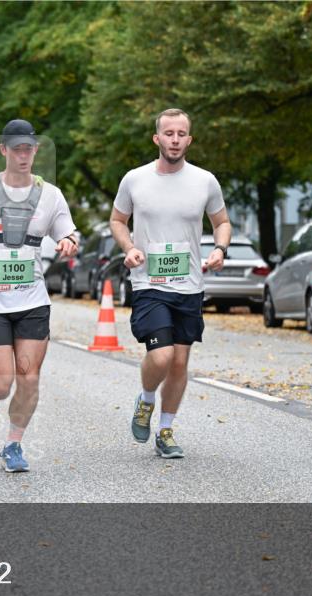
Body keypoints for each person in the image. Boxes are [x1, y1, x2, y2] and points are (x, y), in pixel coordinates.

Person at [0, 120, 78, 472]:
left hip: (32, 300)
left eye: (29, 149)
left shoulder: (51, 194)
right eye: (17, 149)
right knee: (1, 382)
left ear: (35, 150)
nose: (24, 155)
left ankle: (12, 445)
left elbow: (67, 231)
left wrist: (69, 241)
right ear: (3, 149)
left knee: (29, 378)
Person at [109, 108, 231, 459]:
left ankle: (165, 431)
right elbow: (118, 220)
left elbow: (221, 221)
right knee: (160, 356)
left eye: (181, 134)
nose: (175, 140)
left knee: (179, 364)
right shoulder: (135, 179)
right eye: (169, 133)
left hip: (189, 285)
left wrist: (220, 248)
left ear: (189, 140)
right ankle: (146, 400)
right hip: (149, 282)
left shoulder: (205, 181)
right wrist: (129, 248)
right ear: (157, 138)